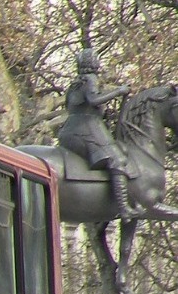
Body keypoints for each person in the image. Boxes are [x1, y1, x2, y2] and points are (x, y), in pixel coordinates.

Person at [57, 48, 141, 218]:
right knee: (117, 160)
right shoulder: (91, 80)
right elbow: (94, 100)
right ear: (94, 63)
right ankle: (124, 208)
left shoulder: (76, 83)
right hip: (86, 129)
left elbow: (74, 106)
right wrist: (119, 91)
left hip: (69, 130)